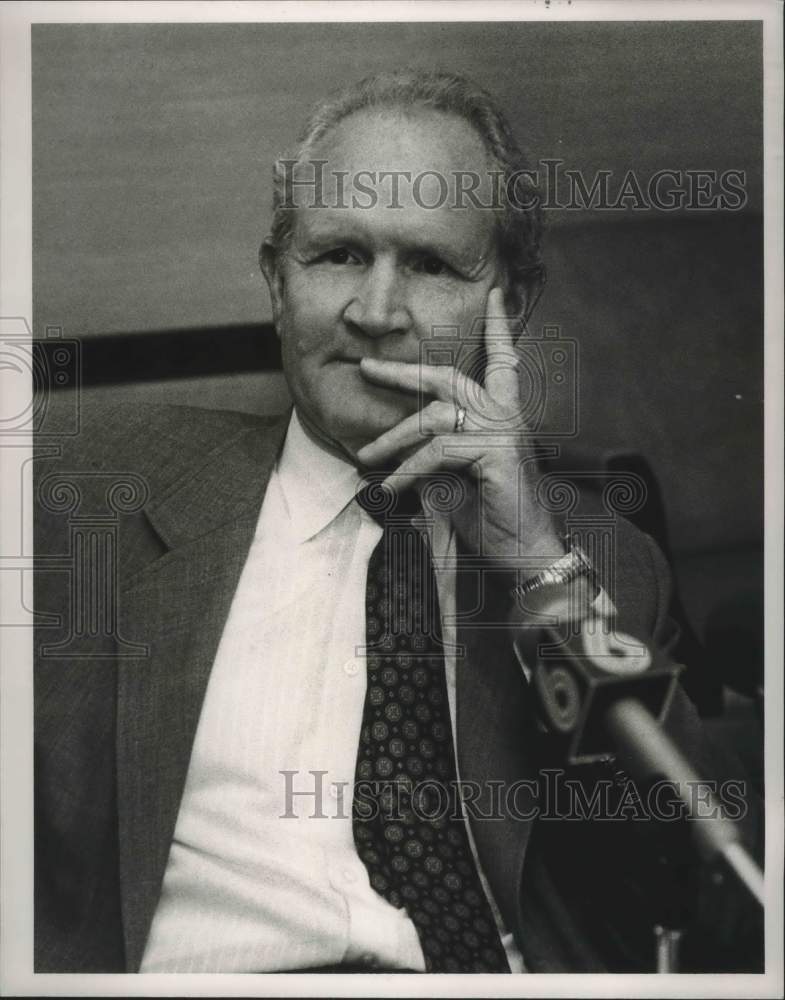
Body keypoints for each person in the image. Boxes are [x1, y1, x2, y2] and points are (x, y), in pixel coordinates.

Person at [33, 70, 762, 974]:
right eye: (336, 253)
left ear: (514, 304)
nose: (373, 313)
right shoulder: (82, 506)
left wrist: (540, 568)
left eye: (429, 265)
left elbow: (696, 880)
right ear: (275, 279)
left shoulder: (601, 558)